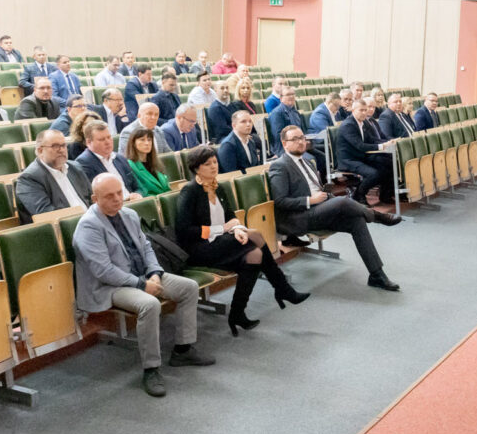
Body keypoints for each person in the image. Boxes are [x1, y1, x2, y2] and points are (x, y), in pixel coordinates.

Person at [72, 173, 213, 397]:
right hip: (110, 286)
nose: (117, 199)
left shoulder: (128, 214)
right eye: (109, 196)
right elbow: (104, 271)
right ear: (94, 198)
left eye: (119, 193)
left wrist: (155, 273)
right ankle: (151, 369)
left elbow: (146, 248)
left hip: (142, 276)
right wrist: (141, 284)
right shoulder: (88, 226)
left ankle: (183, 349)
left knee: (189, 288)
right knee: (150, 305)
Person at [175, 146, 308, 335]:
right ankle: (283, 288)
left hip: (223, 242)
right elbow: (184, 231)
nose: (214, 167)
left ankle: (237, 313)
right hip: (199, 248)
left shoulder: (217, 186)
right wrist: (225, 229)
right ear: (196, 168)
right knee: (255, 236)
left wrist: (237, 229)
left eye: (215, 162)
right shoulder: (189, 191)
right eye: (207, 164)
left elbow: (231, 216)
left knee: (254, 256)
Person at [271, 124, 402, 289]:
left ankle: (377, 275)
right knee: (343, 201)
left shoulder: (308, 162)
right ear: (284, 144)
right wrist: (310, 200)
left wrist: (323, 196)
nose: (300, 142)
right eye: (295, 139)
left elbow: (318, 191)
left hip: (318, 210)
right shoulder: (280, 166)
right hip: (297, 217)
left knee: (356, 221)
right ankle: (377, 216)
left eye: (302, 138)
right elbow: (280, 201)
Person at [14, 129, 91, 223]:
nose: (62, 150)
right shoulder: (29, 179)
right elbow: (48, 216)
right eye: (55, 146)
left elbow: (91, 200)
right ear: (40, 150)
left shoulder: (75, 167)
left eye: (63, 145)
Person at [337, 97, 395, 204]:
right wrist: (381, 147)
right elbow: (360, 146)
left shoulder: (363, 123)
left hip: (361, 156)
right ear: (353, 110)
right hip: (349, 159)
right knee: (374, 174)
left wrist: (388, 142)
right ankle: (359, 194)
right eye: (361, 110)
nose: (365, 112)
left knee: (389, 164)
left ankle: (385, 195)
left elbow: (371, 139)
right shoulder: (348, 125)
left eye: (365, 110)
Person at [74, 120, 139, 194]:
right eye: (101, 139)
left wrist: (137, 194)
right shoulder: (82, 164)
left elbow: (137, 187)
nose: (107, 142)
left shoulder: (120, 158)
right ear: (88, 142)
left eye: (109, 137)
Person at [122, 127, 170, 196]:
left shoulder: (155, 162)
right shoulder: (130, 165)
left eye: (149, 140)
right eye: (142, 140)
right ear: (133, 143)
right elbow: (142, 191)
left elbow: (166, 186)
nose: (147, 143)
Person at [267, 85, 305, 156]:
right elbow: (278, 136)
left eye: (292, 94)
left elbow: (302, 131)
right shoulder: (277, 113)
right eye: (287, 95)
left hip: (298, 144)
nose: (291, 96)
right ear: (281, 98)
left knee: (322, 156)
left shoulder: (295, 112)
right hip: (285, 148)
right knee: (311, 159)